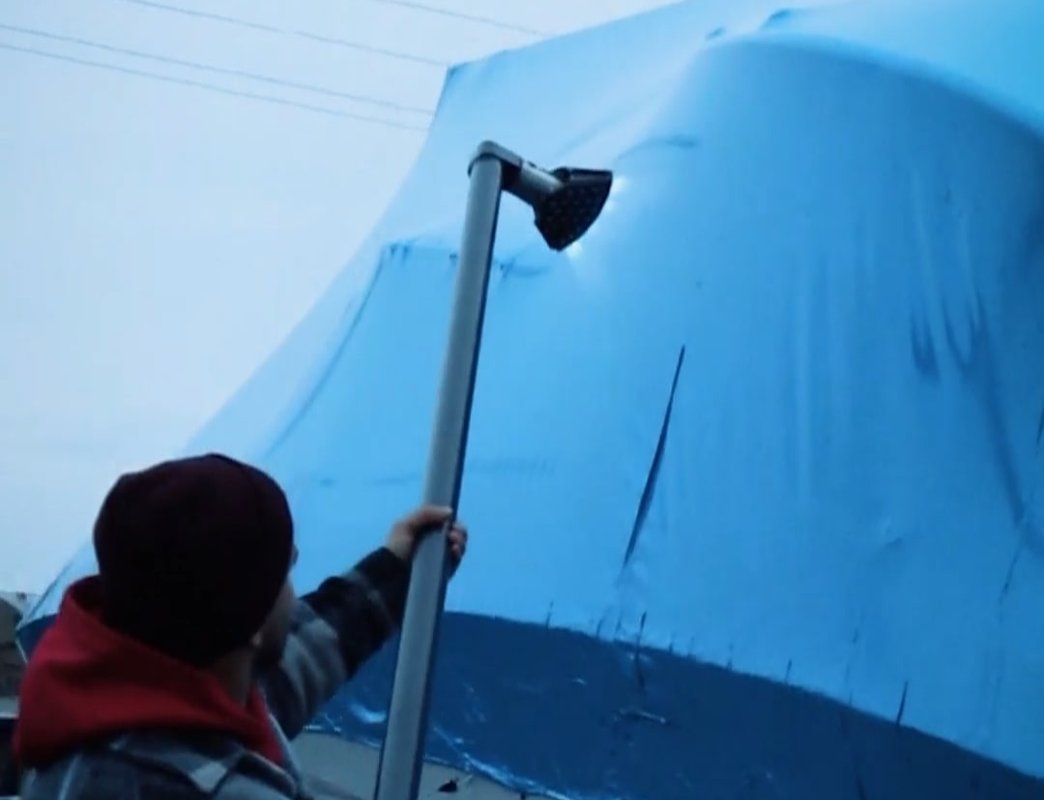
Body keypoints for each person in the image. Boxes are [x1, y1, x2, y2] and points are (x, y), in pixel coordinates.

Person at [13, 453, 468, 799]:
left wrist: (396, 570)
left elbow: (300, 657)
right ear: (248, 621)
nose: (293, 591)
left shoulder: (87, 723)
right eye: (283, 574)